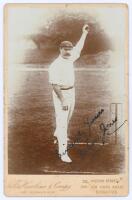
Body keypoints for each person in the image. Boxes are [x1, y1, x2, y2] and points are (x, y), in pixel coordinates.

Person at [49, 24, 89, 163]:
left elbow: (79, 47)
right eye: (65, 49)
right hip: (61, 94)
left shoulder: (70, 57)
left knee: (67, 117)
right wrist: (63, 100)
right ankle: (62, 153)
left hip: (71, 91)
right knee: (62, 123)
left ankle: (57, 134)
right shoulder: (55, 65)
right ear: (60, 49)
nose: (68, 52)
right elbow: (54, 85)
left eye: (69, 49)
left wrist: (84, 33)